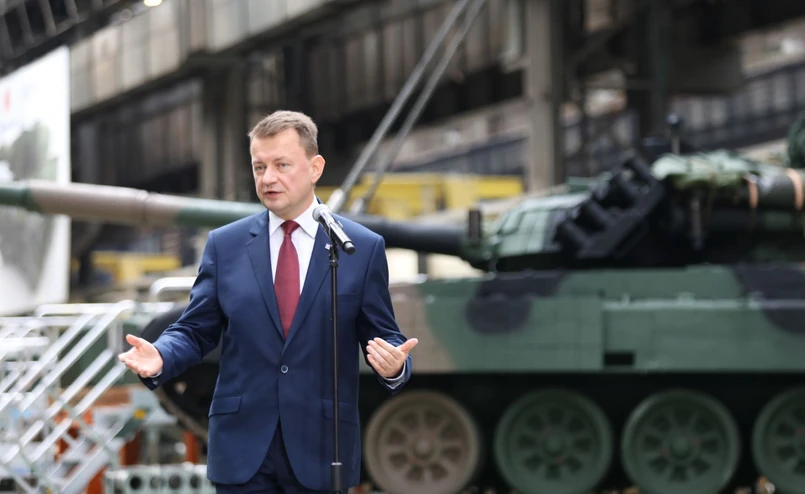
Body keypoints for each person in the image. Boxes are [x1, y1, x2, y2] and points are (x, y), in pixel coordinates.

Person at [117, 110, 418, 493]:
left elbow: (384, 334)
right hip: (242, 449)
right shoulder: (225, 245)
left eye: (281, 165)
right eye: (259, 167)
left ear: (315, 167)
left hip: (322, 448)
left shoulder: (358, 248)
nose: (268, 178)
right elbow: (195, 329)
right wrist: (162, 354)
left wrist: (394, 366)